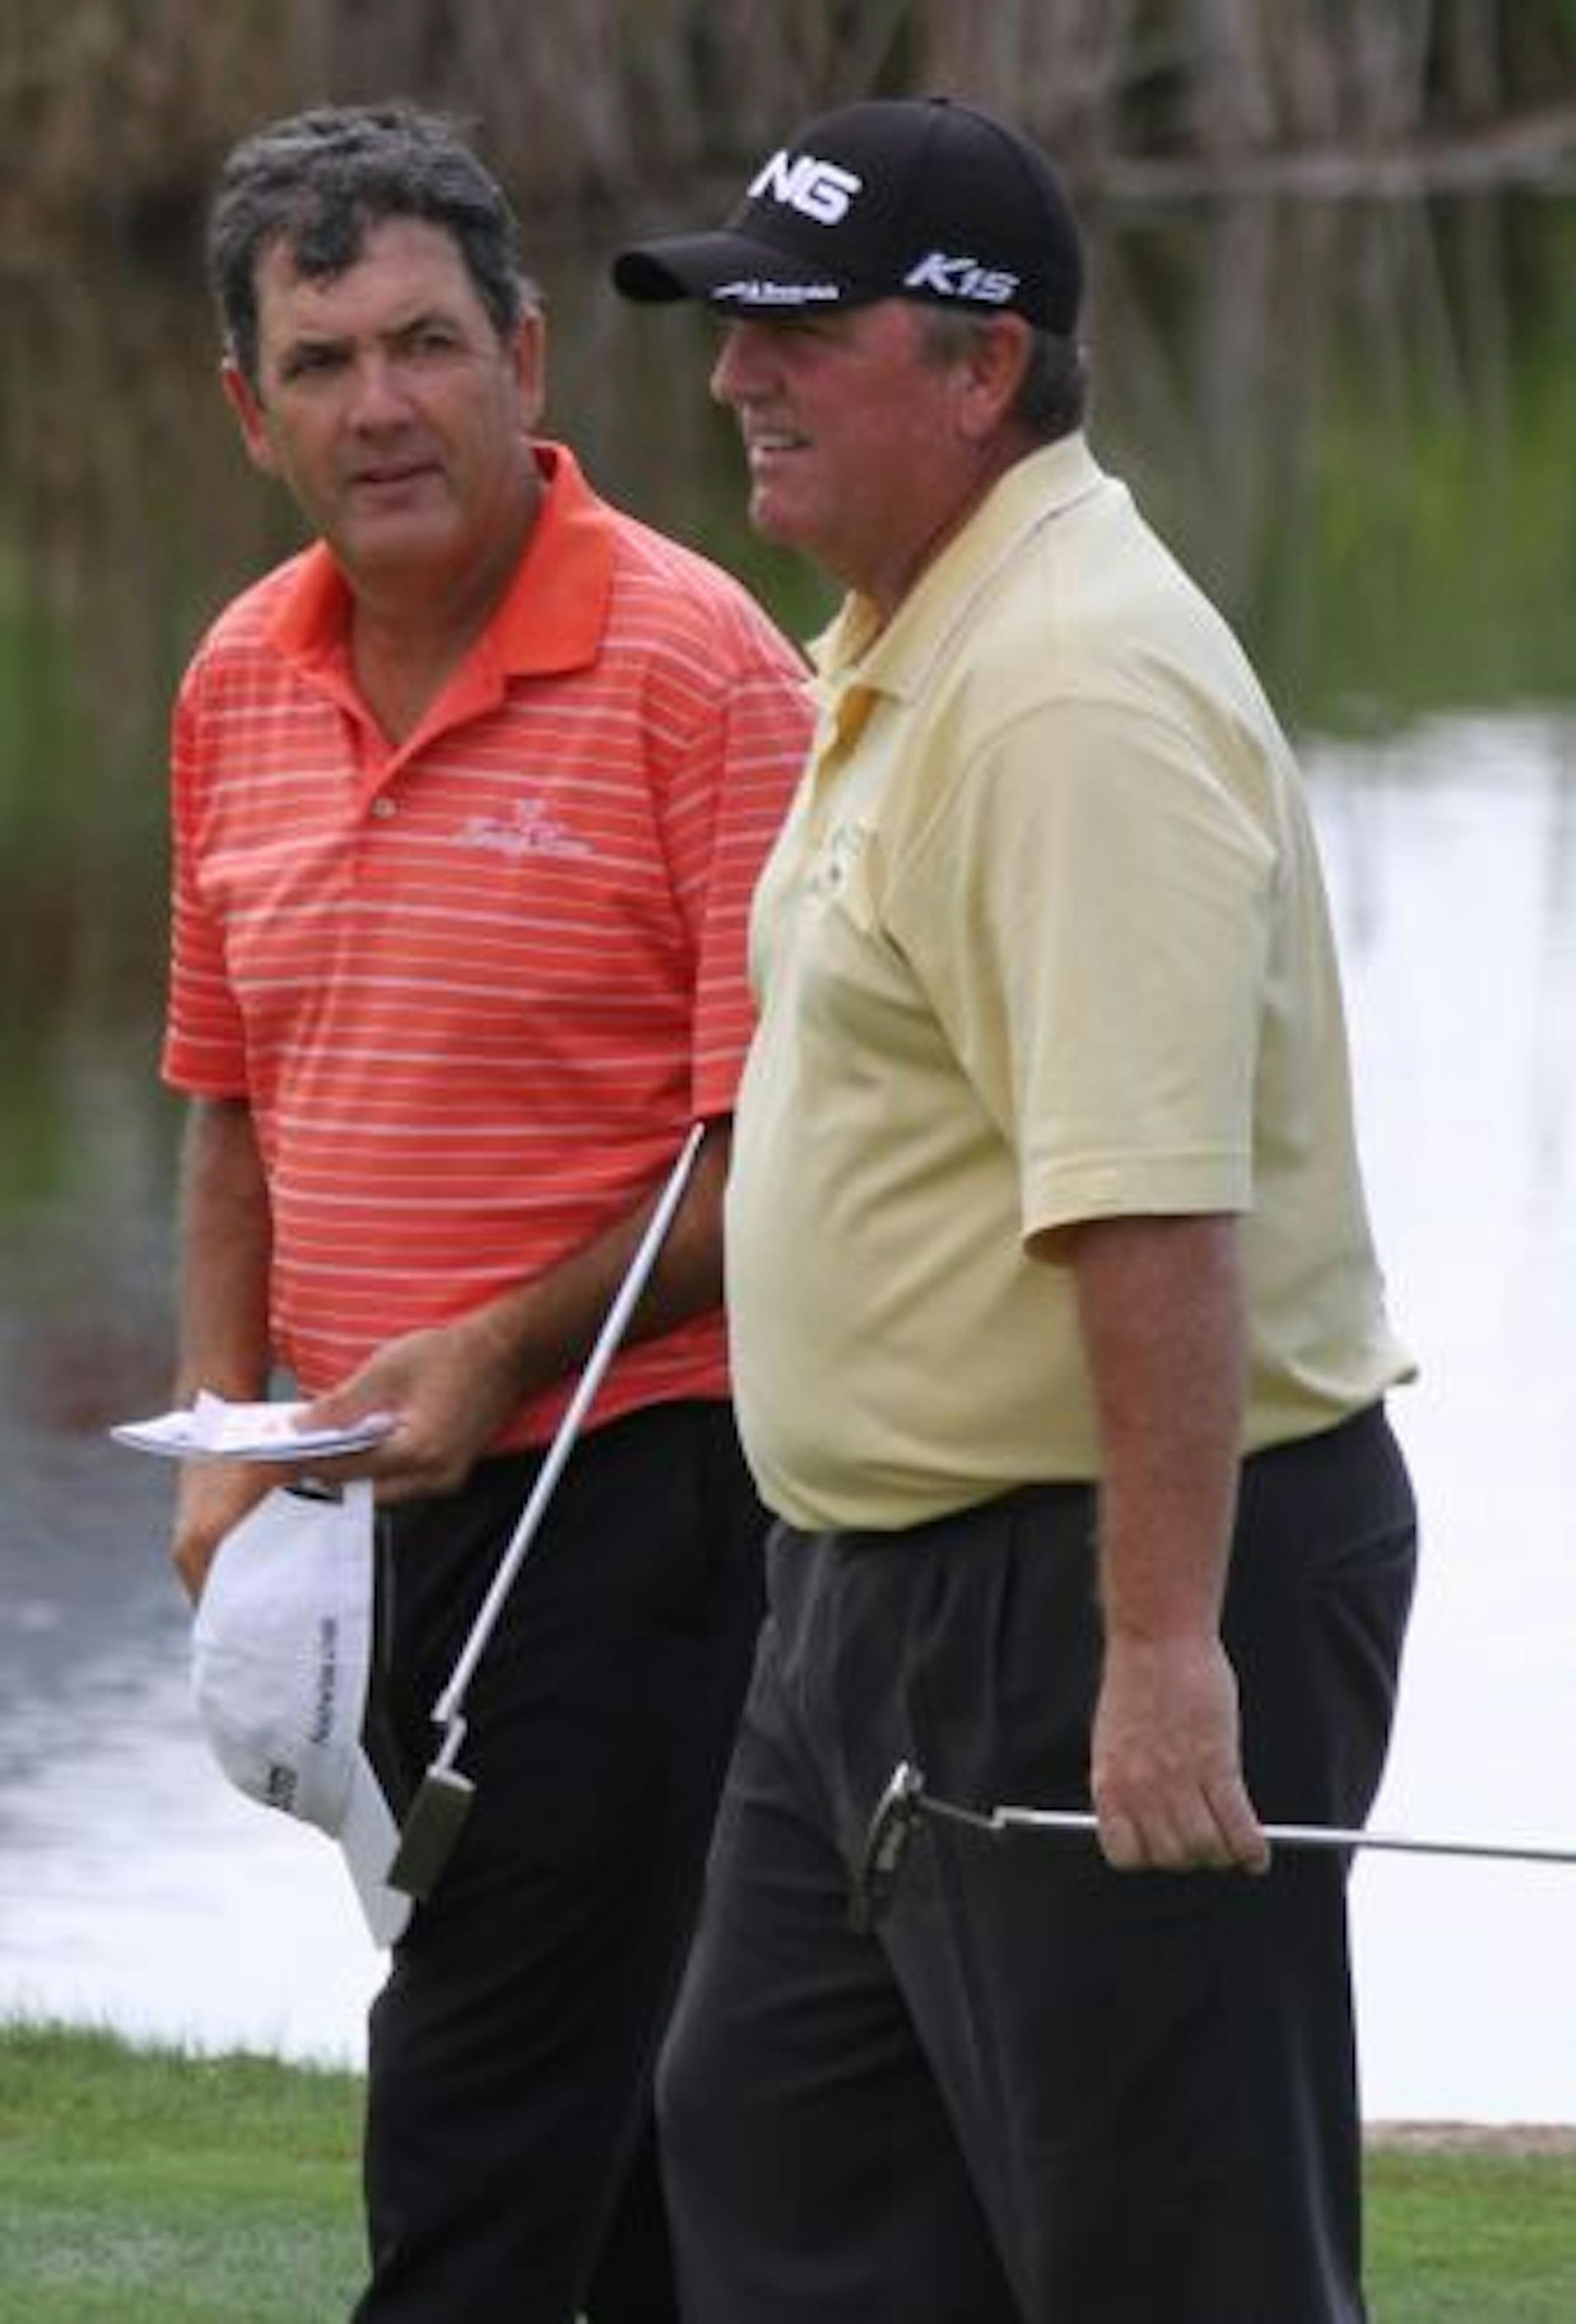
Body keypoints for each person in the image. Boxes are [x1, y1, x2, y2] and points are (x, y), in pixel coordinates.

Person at [613, 94, 1419, 2324]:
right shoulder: (913, 635)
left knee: (1170, 2265)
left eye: (797, 324)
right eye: (729, 321)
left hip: (1096, 1580)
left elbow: (1149, 1209)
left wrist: (1165, 1656)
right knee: (780, 2171)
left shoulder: (1066, 685)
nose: (733, 373)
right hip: (878, 1591)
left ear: (981, 364)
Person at [162, 101, 811, 2323]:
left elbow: (782, 1157)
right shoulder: (237, 673)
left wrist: (503, 1348)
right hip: (363, 1518)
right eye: (325, 362)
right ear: (253, 409)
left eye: (427, 343)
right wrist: (218, 1421)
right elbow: (226, 1108)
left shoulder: (707, 669)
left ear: (531, 356)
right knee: (626, 2154)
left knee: (470, 2130)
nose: (384, 406)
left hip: (641, 1495)